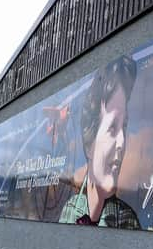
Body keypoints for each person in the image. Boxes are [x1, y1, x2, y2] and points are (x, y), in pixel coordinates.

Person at [59, 55, 140, 229]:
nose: (122, 142)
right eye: (112, 128)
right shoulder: (70, 210)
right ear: (89, 143)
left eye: (124, 128)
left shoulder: (127, 221)